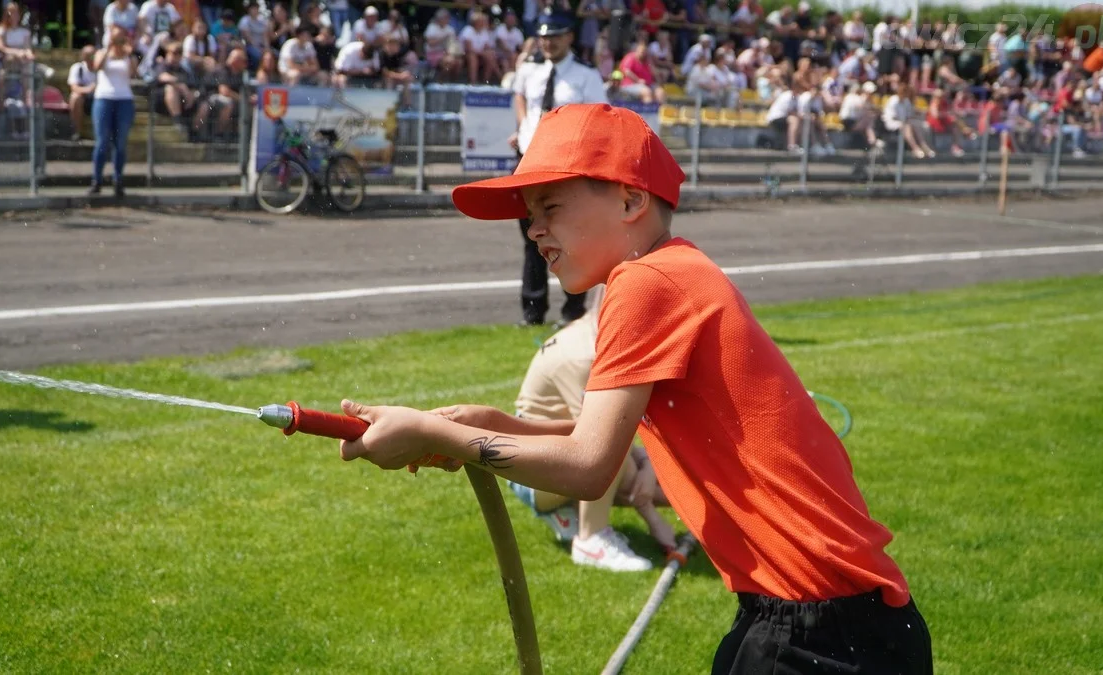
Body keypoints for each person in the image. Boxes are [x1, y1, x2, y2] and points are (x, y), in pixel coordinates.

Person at [337, 103, 932, 674]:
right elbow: (596, 439)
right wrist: (487, 423)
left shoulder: (645, 282)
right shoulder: (672, 269)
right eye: (529, 215)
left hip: (818, 627)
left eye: (548, 207)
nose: (533, 231)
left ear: (630, 198)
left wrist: (433, 432)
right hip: (832, 616)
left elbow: (588, 468)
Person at [507, 284, 678, 571]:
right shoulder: (586, 356)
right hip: (531, 477)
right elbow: (601, 439)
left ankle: (568, 511)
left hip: (539, 458)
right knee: (622, 460)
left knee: (664, 473)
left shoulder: (590, 334)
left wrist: (648, 465)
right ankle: (591, 540)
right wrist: (654, 519)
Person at [508, 9, 606, 327]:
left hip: (566, 165)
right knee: (531, 238)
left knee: (570, 236)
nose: (548, 42)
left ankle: (573, 310)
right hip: (529, 160)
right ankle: (532, 310)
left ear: (570, 38)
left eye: (555, 36)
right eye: (544, 36)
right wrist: (522, 127)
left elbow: (597, 118)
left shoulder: (586, 75)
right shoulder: (529, 69)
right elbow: (520, 96)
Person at [90, 24, 139, 197]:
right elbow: (97, 67)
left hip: (124, 99)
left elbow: (134, 73)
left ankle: (118, 180)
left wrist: (128, 52)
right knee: (102, 142)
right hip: (104, 98)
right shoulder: (102, 52)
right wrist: (109, 47)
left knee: (120, 143)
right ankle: (97, 180)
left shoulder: (128, 56)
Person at [67, 46, 98, 143]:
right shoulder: (77, 68)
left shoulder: (102, 68)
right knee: (75, 98)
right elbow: (74, 87)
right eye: (88, 56)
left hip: (99, 99)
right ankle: (76, 132)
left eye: (93, 56)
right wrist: (89, 89)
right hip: (85, 100)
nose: (91, 58)